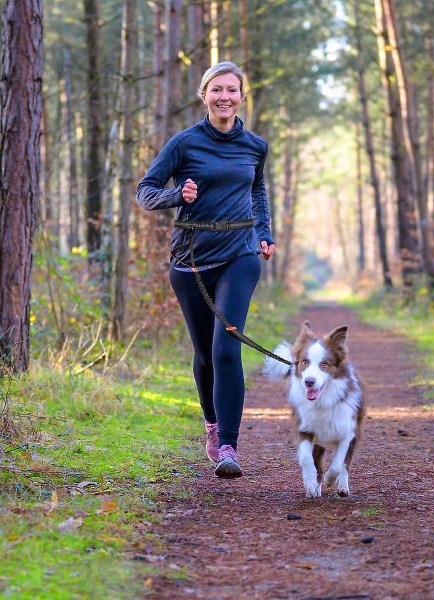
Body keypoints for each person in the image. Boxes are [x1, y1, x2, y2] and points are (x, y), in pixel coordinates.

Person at [136, 62, 276, 479]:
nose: (225, 97)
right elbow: (146, 191)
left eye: (232, 90)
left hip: (241, 254)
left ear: (241, 96)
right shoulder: (183, 143)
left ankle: (229, 447)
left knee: (225, 347)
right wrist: (177, 195)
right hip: (191, 259)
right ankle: (212, 425)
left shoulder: (255, 146)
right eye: (217, 90)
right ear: (204, 95)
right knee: (203, 353)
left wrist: (264, 233)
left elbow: (257, 190)